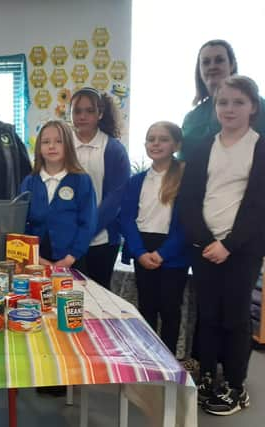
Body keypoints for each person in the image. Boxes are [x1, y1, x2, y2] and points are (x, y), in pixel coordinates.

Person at [178, 75, 265, 415]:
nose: (230, 109)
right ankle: (209, 378)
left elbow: (259, 205)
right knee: (209, 315)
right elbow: (189, 199)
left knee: (235, 317)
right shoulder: (203, 148)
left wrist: (228, 244)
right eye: (223, 102)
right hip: (204, 247)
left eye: (238, 102)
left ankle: (235, 384)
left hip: (242, 249)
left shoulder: (260, 147)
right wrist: (205, 241)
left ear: (252, 108)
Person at [119, 121, 189, 354]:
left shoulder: (185, 179)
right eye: (151, 139)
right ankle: (147, 356)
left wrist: (162, 254)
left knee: (169, 309)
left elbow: (188, 223)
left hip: (172, 252)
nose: (156, 143)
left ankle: (168, 360)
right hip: (143, 249)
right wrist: (139, 252)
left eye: (163, 139)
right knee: (147, 307)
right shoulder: (136, 180)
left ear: (176, 144)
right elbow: (126, 218)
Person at [70, 87, 130, 288]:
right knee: (69, 294)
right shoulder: (62, 145)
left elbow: (115, 199)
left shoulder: (114, 149)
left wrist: (86, 231)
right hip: (67, 238)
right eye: (77, 111)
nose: (83, 116)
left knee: (99, 294)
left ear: (100, 113)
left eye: (89, 110)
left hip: (102, 240)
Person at [19, 120, 97, 267]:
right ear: (39, 147)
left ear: (68, 145)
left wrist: (71, 257)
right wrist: (36, 257)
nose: (52, 146)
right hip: (36, 261)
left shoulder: (81, 180)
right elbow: (22, 223)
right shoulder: (29, 182)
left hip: (72, 260)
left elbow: (88, 223)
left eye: (58, 141)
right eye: (46, 142)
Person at [181, 39, 265, 162]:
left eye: (219, 60)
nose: (212, 66)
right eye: (206, 62)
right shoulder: (191, 119)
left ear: (232, 66)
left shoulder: (257, 105)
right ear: (199, 70)